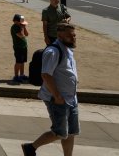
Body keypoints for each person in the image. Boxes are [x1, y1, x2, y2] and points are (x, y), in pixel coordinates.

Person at [21, 23, 79, 156]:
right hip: (57, 99)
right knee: (60, 132)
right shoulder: (53, 51)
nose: (73, 38)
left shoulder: (68, 49)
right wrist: (57, 96)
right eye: (70, 35)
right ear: (60, 35)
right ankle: (31, 147)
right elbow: (46, 74)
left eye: (74, 35)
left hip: (71, 98)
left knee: (71, 132)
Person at [11, 14, 29, 82]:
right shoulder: (15, 27)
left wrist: (24, 27)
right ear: (15, 21)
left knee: (22, 62)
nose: (22, 23)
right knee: (18, 62)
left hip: (24, 46)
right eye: (20, 22)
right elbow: (21, 36)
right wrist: (22, 28)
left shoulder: (20, 26)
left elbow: (27, 34)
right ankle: (16, 76)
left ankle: (21, 75)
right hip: (18, 47)